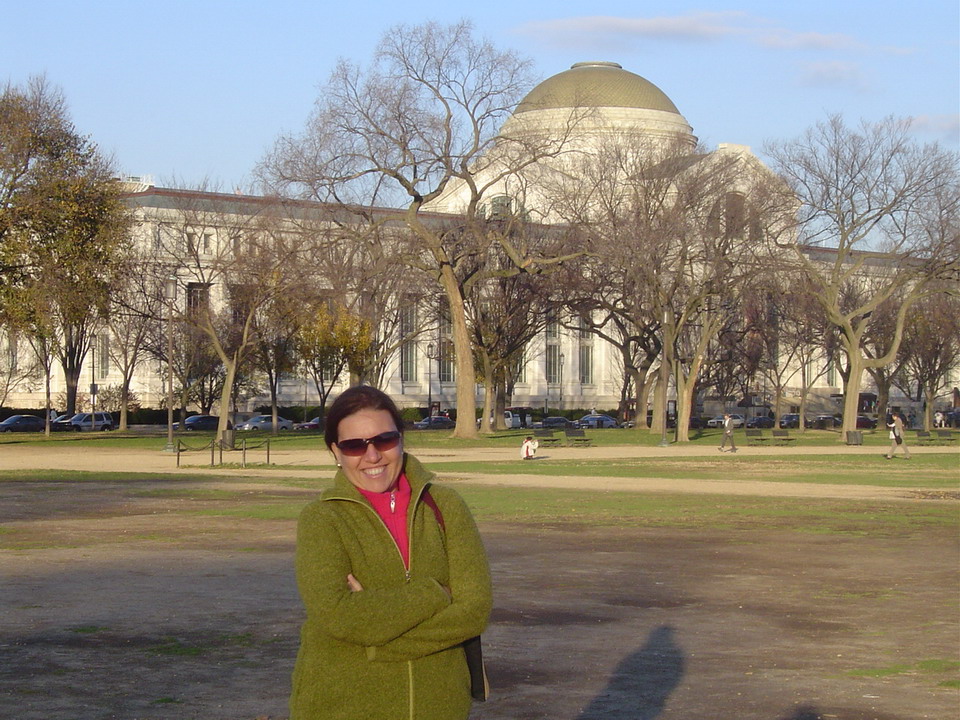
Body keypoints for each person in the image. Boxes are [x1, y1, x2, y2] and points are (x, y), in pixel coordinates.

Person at [290, 386, 492, 720]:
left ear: (400, 439)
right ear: (335, 451)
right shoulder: (322, 519)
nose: (372, 456)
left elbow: (474, 610)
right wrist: (437, 594)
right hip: (342, 706)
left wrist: (379, 640)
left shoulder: (446, 506)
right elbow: (337, 615)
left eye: (384, 440)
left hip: (439, 706)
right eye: (354, 445)